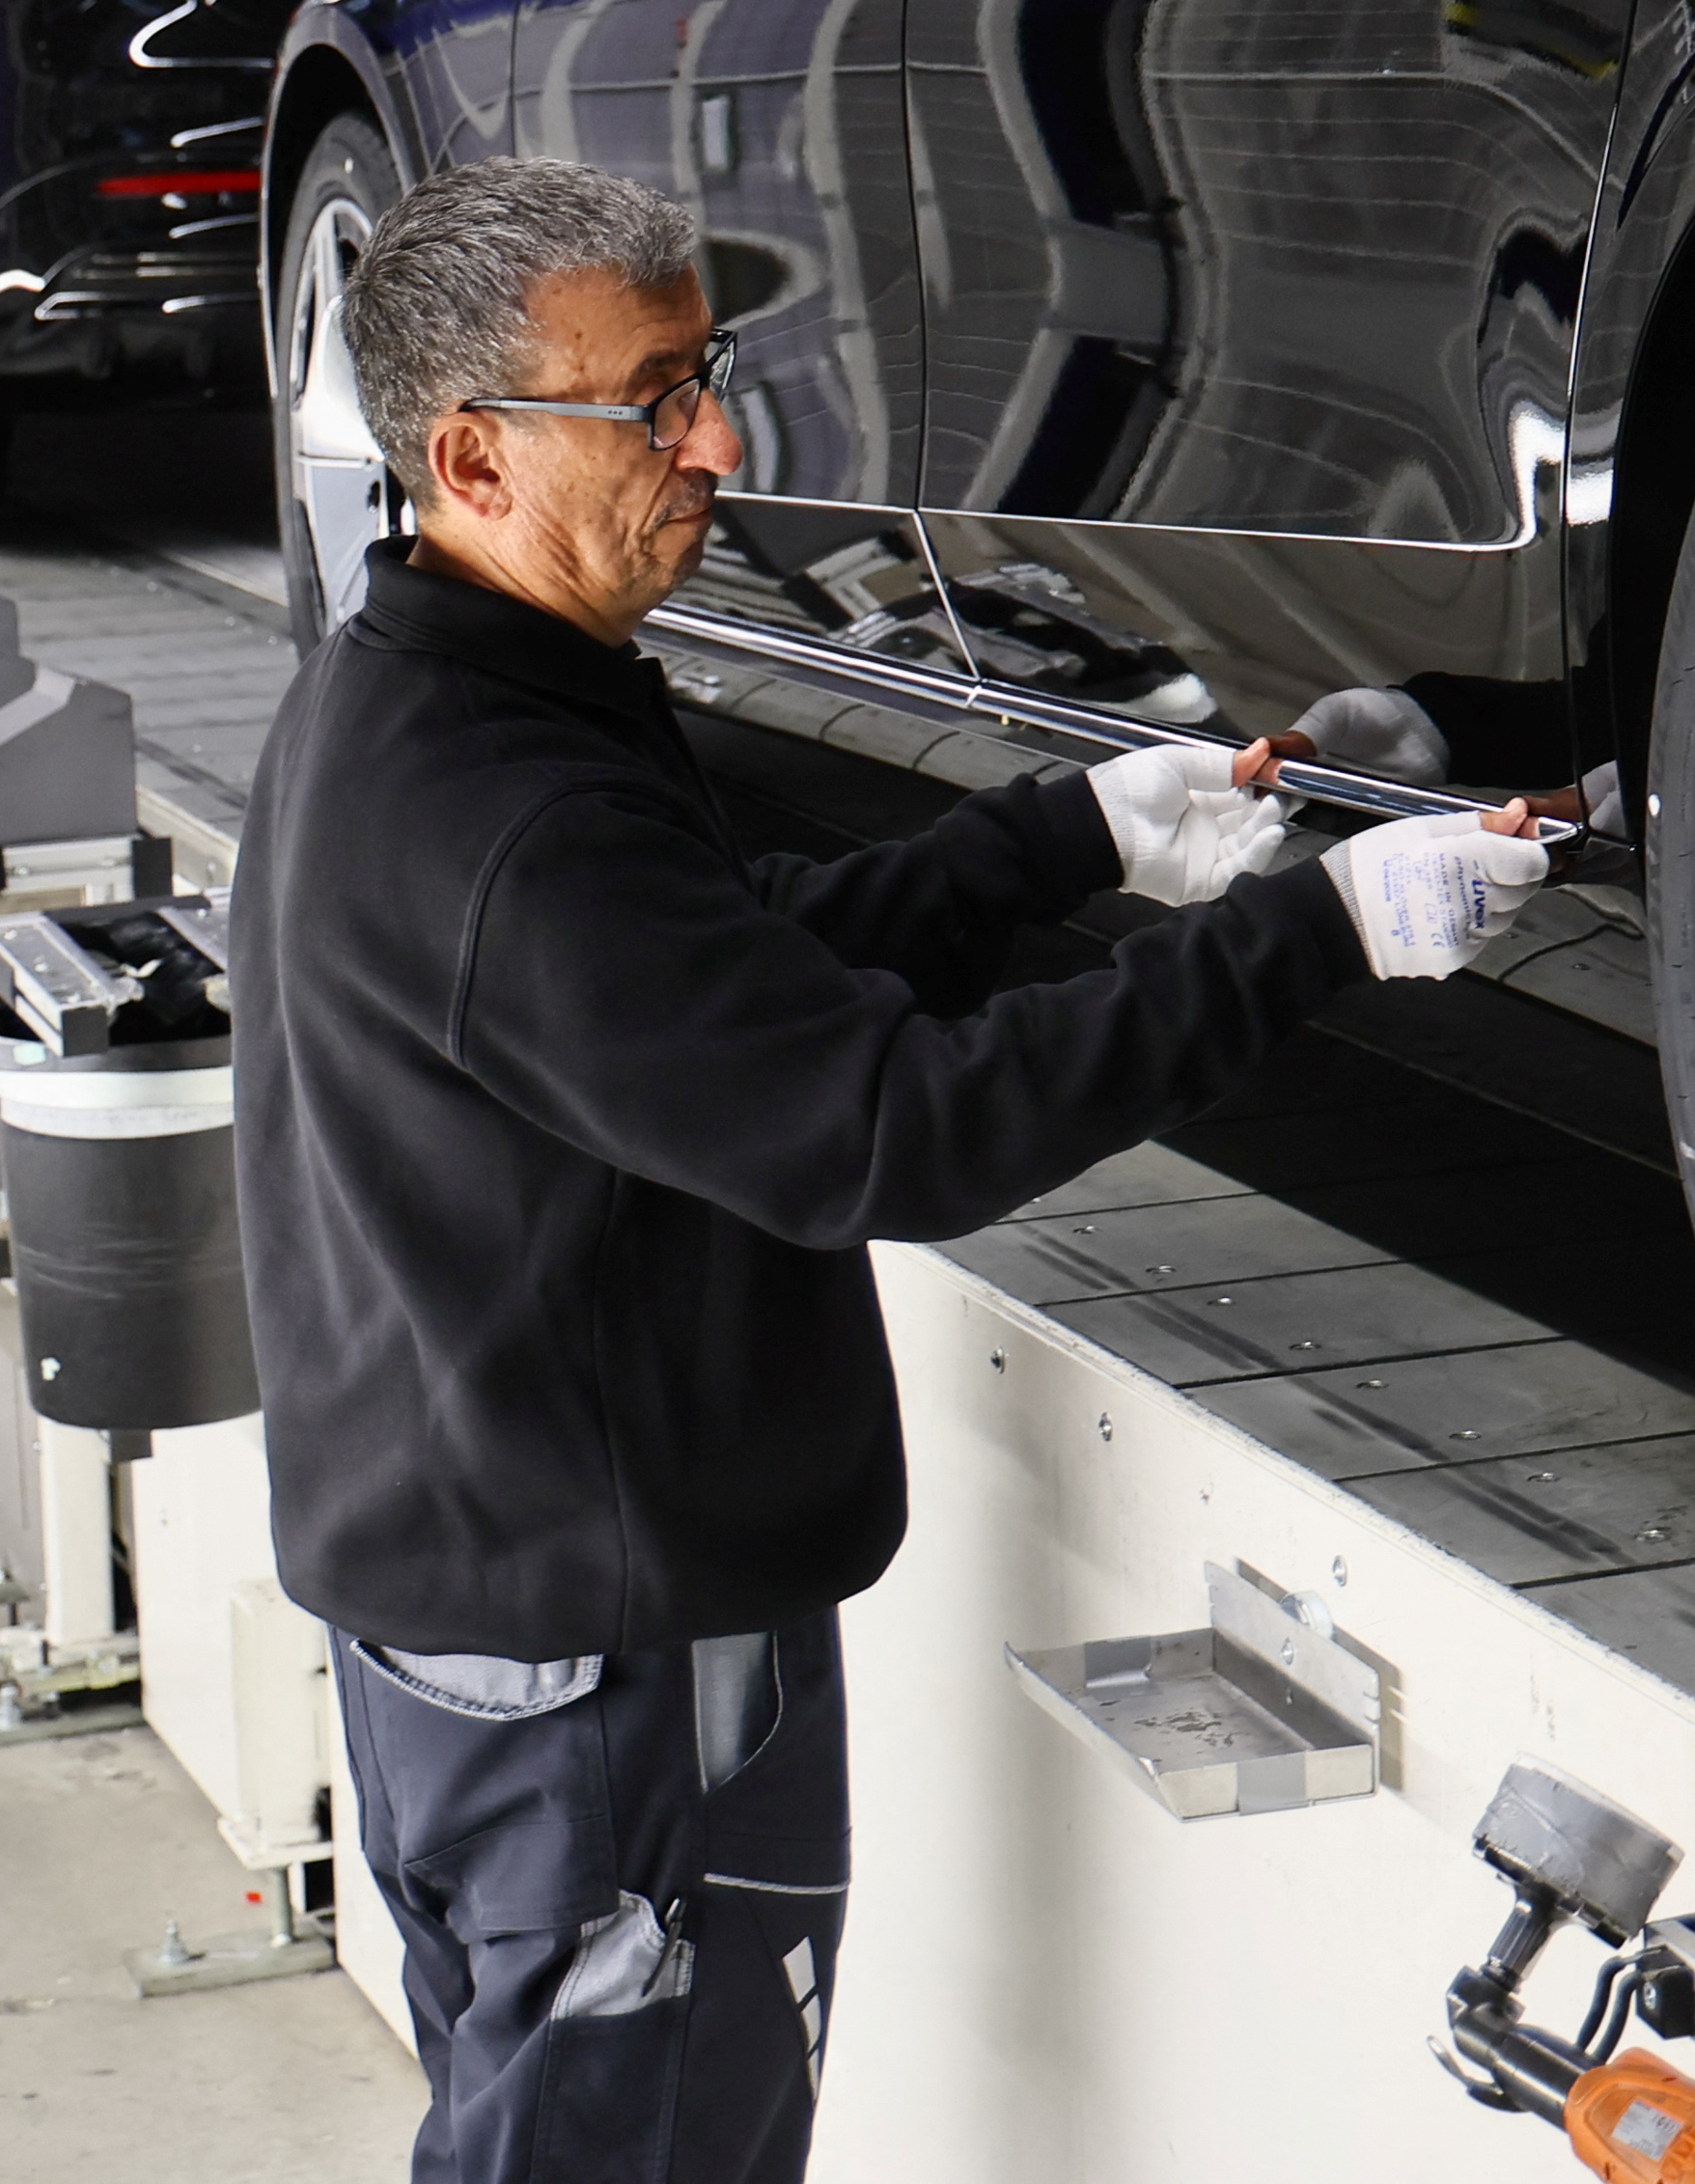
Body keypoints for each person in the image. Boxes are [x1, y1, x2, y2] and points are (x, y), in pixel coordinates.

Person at [230, 155, 1549, 2184]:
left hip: (475, 1629)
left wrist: (1071, 839)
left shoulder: (433, 694)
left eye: (708, 372)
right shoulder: (503, 820)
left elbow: (716, 962)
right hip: (607, 1695)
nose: (719, 439)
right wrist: (1318, 934)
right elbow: (884, 1126)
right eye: (650, 400)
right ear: (471, 455)